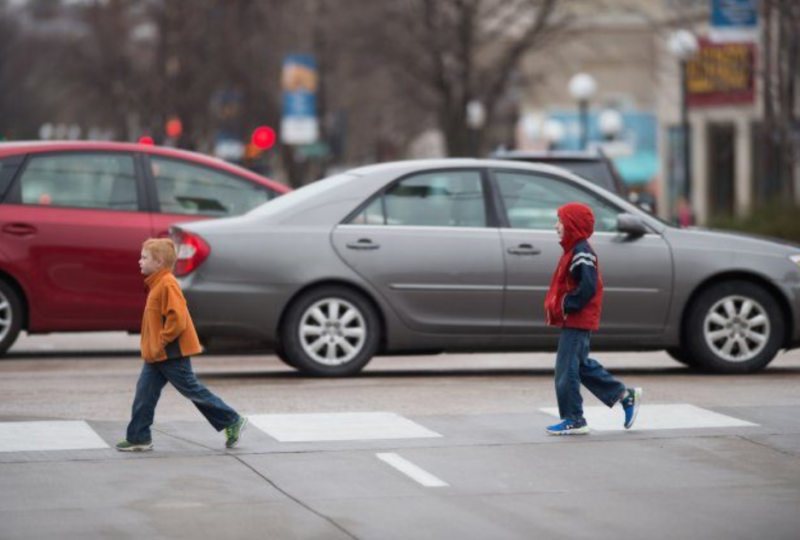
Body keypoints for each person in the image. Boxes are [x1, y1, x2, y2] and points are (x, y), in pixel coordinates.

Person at [116, 238, 247, 451]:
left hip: (170, 353)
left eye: (144, 257)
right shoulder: (157, 283)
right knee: (145, 393)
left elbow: (177, 319)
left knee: (192, 390)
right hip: (157, 354)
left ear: (158, 263)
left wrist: (160, 341)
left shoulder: (167, 284)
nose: (140, 261)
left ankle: (232, 420)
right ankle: (139, 436)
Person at [543, 203, 642, 435]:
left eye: (561, 221)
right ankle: (624, 396)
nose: (556, 226)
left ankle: (574, 419)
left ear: (573, 226)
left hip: (577, 319)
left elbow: (588, 287)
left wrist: (568, 305)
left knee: (566, 370)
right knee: (580, 365)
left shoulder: (581, 252)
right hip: (574, 319)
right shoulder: (575, 250)